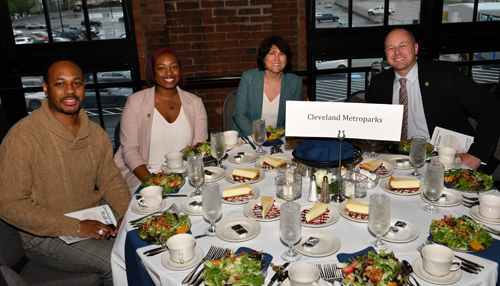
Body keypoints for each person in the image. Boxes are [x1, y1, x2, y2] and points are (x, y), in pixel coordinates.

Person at [0, 58, 132, 285]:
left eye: (76, 83)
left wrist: (124, 215)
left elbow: (110, 180)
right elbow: (10, 204)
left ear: (84, 87)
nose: (70, 90)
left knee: (144, 237)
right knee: (119, 261)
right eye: (60, 84)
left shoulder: (96, 132)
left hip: (93, 215)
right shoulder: (21, 137)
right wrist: (76, 227)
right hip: (44, 237)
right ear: (45, 88)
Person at [367, 28, 500, 173]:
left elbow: (491, 105)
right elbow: (374, 125)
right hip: (397, 161)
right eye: (391, 48)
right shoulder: (378, 84)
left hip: (449, 161)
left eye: (403, 45)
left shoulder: (444, 74)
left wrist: (477, 154)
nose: (397, 52)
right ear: (386, 54)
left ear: (416, 48)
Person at [114, 48, 208, 192]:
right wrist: (157, 183)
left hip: (184, 175)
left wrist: (179, 179)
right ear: (153, 72)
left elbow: (198, 147)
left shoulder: (195, 103)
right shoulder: (135, 102)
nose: (169, 73)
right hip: (144, 177)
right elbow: (130, 150)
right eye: (161, 68)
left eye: (174, 67)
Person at [231, 36, 303, 136]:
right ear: (263, 58)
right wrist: (258, 136)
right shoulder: (248, 78)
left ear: (286, 59)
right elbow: (239, 115)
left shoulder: (295, 82)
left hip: (279, 141)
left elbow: (295, 118)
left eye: (281, 54)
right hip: (248, 138)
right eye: (272, 53)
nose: (277, 58)